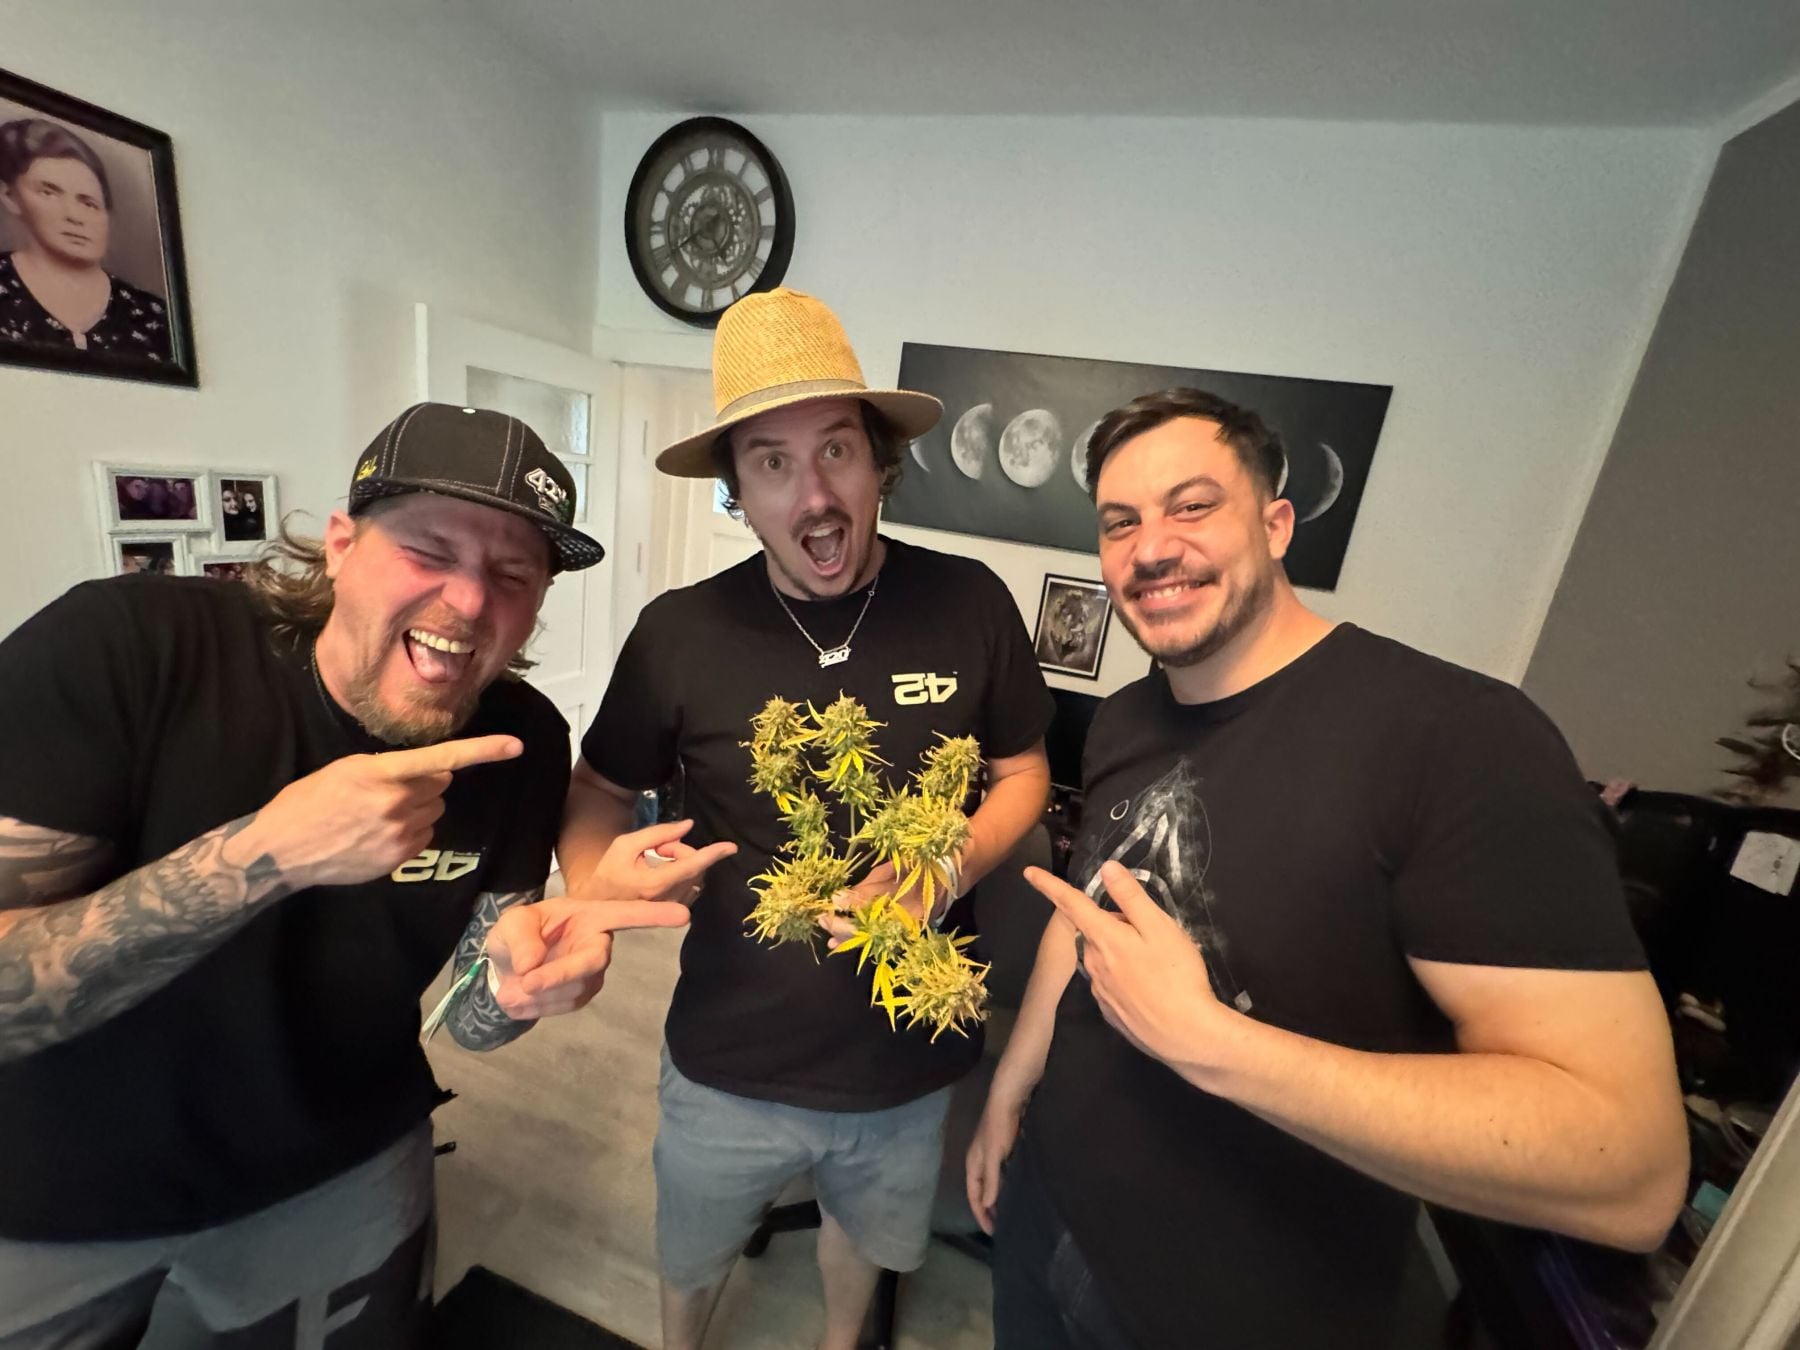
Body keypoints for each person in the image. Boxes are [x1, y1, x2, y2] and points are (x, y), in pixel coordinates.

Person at [966, 388, 1690, 1349]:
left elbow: (1631, 1174)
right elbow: (1090, 909)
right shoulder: (1132, 717)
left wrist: (1212, 1043)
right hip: (1050, 1220)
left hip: (1237, 1312)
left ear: (1275, 525)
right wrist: (1013, 1088)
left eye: (1193, 506)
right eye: (1120, 522)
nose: (1151, 548)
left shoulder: (1458, 741)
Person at [0, 403, 732, 1348]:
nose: (469, 600)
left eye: (513, 575)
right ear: (342, 546)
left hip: (341, 1166)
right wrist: (264, 854)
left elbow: (473, 1021)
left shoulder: (522, 742)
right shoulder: (130, 646)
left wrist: (527, 978)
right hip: (52, 1185)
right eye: (430, 550)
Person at [559, 289, 1055, 1350]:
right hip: (727, 1055)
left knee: (860, 1244)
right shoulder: (679, 635)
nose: (815, 493)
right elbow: (596, 788)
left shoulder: (970, 603)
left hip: (906, 1061)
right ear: (737, 490)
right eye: (773, 462)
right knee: (691, 1254)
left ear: (880, 464)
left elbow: (1023, 769)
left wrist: (953, 866)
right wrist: (595, 897)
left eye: (836, 449)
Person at [0, 118, 172, 362]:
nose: (74, 216)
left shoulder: (154, 316)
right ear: (10, 196)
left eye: (88, 203)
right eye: (49, 193)